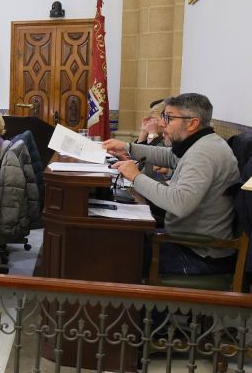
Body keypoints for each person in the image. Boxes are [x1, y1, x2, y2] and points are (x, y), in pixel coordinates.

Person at [103, 93, 241, 275]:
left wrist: (136, 177)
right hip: (185, 240)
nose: (162, 124)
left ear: (192, 123)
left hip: (199, 252)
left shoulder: (204, 153)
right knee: (121, 238)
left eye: (169, 118)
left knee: (113, 253)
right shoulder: (201, 143)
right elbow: (169, 156)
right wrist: (128, 148)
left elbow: (179, 203)